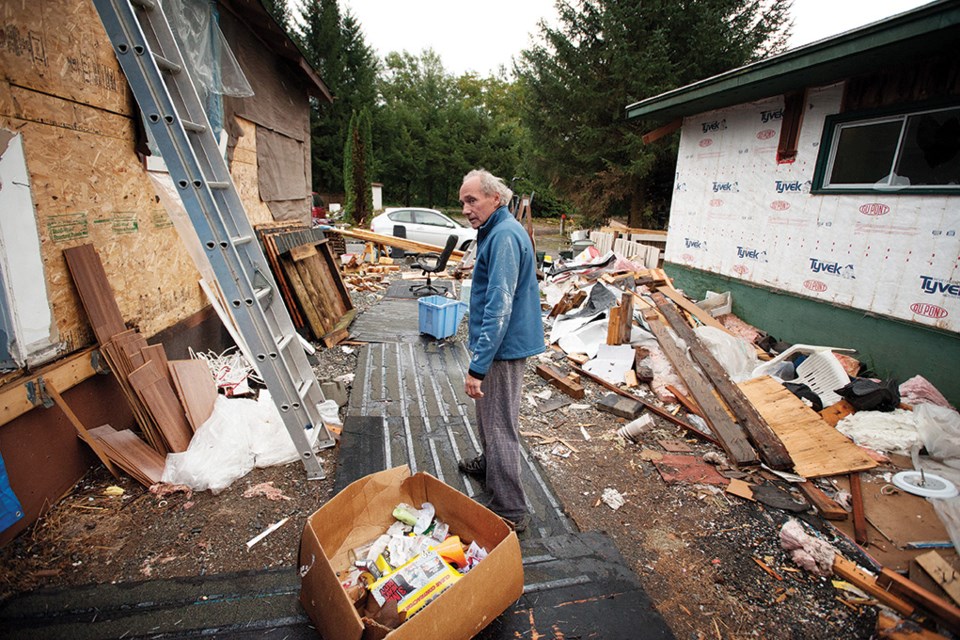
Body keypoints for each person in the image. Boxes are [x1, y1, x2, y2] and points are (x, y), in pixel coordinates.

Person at [456, 169, 544, 533]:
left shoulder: (504, 235)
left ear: (496, 199)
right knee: (489, 417)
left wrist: (478, 366)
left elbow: (499, 305)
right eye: (462, 201)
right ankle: (489, 464)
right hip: (498, 346)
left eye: (471, 200)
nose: (465, 208)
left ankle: (510, 508)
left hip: (502, 350)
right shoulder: (495, 231)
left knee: (499, 425)